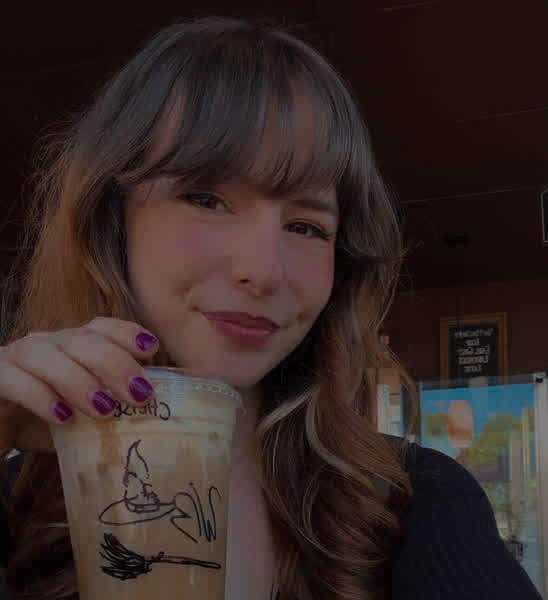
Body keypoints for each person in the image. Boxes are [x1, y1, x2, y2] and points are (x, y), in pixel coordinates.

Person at [0, 16, 541, 600]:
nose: (264, 271)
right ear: (112, 222)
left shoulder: (416, 504)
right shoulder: (14, 503)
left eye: (307, 226)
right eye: (206, 198)